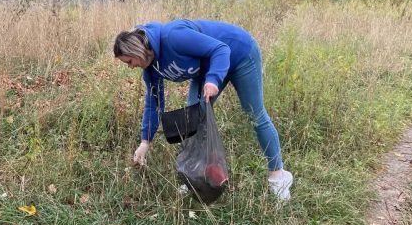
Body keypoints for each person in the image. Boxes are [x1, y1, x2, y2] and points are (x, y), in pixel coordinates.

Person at [114, 20, 293, 201]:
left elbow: (221, 49)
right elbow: (153, 103)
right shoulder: (151, 68)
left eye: (129, 61)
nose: (131, 66)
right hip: (208, 69)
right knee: (194, 118)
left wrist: (213, 79)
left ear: (137, 50)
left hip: (240, 54)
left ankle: (278, 176)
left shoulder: (173, 36)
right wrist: (145, 142)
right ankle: (199, 175)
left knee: (255, 114)